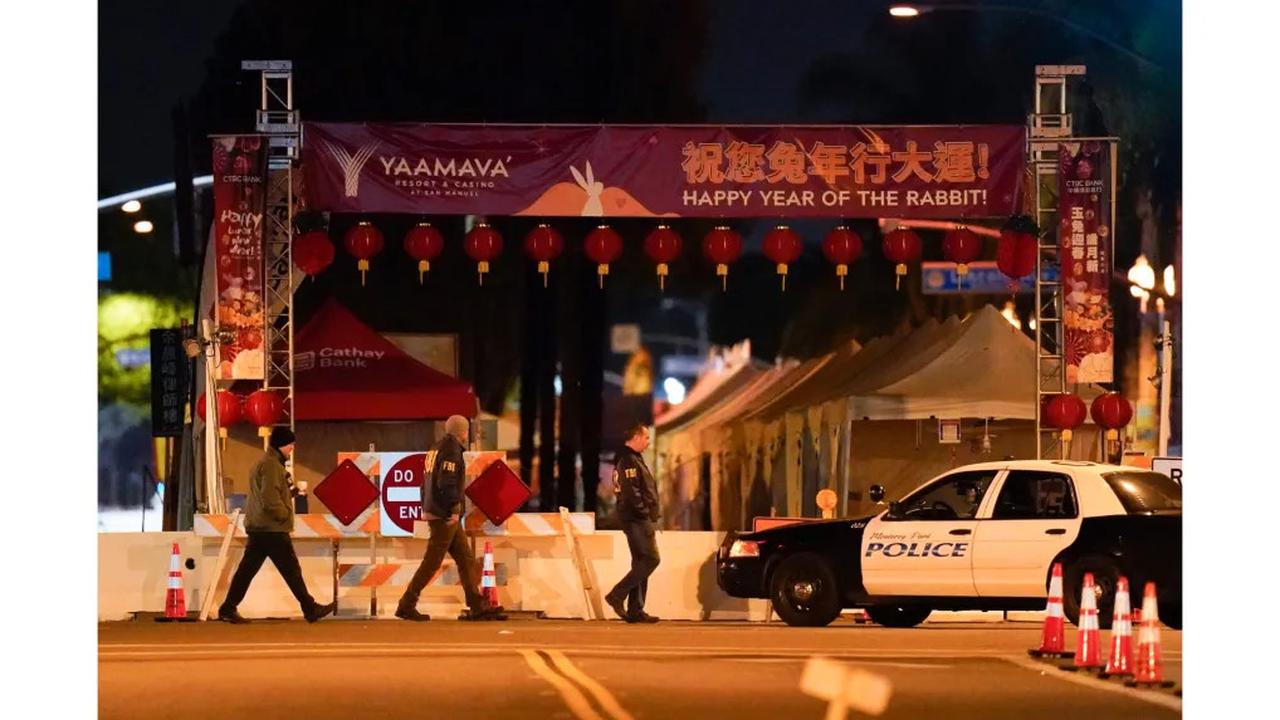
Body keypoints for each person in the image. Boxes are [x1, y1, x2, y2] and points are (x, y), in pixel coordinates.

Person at [219, 427, 336, 624]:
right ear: (282, 445)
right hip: (272, 528)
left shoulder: (264, 463)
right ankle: (309, 608)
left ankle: (228, 608)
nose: (291, 448)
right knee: (291, 571)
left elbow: (270, 493)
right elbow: (270, 498)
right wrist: (284, 514)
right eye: (290, 444)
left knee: (247, 571)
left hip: (260, 527)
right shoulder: (272, 466)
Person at [396, 415, 506, 622]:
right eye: (466, 431)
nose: (467, 434)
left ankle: (477, 605)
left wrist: (425, 506)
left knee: (465, 559)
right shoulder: (451, 450)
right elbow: (446, 483)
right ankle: (406, 604)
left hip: (437, 510)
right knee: (432, 562)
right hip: (445, 514)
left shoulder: (435, 448)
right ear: (462, 431)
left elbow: (425, 482)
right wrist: (454, 509)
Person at [604, 424, 661, 624]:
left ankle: (636, 609)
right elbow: (631, 492)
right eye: (646, 437)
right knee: (650, 559)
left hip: (635, 517)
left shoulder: (630, 458)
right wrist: (644, 512)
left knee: (640, 562)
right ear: (636, 437)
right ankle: (617, 595)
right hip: (636, 518)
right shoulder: (628, 460)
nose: (648, 442)